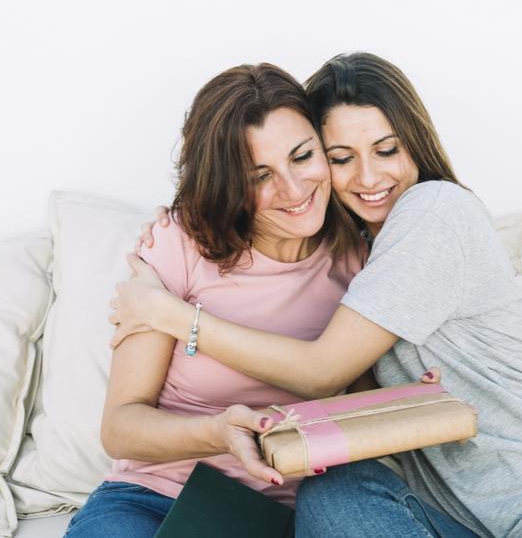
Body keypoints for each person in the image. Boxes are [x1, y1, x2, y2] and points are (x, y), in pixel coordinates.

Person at [109, 52, 522, 537]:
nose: (368, 177)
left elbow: (321, 371)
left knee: (334, 494)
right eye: (341, 156)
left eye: (386, 149)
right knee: (337, 496)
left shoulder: (435, 211)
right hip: (456, 521)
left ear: (416, 144)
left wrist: (173, 314)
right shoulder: (355, 250)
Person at [65, 63, 367, 538]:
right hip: (156, 498)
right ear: (226, 183)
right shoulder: (178, 244)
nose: (294, 189)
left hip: (292, 516)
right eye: (259, 174)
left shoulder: (362, 257)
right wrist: (216, 433)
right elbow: (120, 427)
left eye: (303, 156)